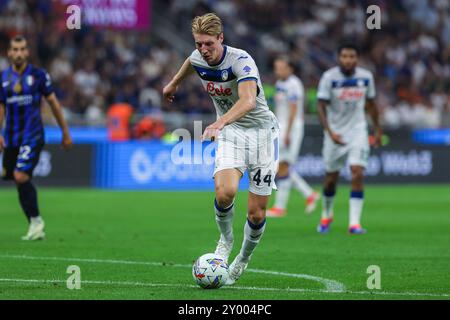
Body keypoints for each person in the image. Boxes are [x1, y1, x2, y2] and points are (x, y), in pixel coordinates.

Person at [163, 13, 279, 285]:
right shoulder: (197, 57)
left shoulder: (241, 60)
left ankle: (243, 258)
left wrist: (219, 122)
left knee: (256, 213)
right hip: (232, 134)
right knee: (225, 192)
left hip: (262, 135)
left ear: (221, 39)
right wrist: (174, 82)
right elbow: (190, 62)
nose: (203, 50)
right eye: (199, 44)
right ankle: (225, 242)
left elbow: (249, 100)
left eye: (209, 44)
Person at [0, 35, 72, 240]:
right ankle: (34, 222)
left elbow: (54, 104)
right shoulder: (3, 78)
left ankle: (36, 222)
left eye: (23, 49)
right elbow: (1, 108)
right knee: (10, 175)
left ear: (27, 52)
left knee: (20, 176)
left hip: (32, 134)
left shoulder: (39, 75)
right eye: (15, 49)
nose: (19, 53)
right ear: (9, 52)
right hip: (11, 137)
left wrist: (65, 133)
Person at [316, 42, 382, 234]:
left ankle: (354, 223)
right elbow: (320, 106)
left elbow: (371, 104)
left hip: (358, 131)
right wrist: (330, 131)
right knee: (331, 179)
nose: (348, 60)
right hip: (334, 132)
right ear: (338, 58)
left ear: (357, 58)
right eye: (344, 56)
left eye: (352, 56)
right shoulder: (329, 78)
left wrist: (377, 130)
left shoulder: (366, 77)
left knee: (357, 172)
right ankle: (327, 213)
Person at [266, 57, 320, 218]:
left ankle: (280, 207)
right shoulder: (279, 84)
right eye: (276, 67)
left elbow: (294, 110)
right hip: (281, 128)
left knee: (282, 166)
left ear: (290, 69)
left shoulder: (294, 84)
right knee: (281, 166)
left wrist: (288, 133)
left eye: (281, 67)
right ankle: (309, 194)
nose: (278, 70)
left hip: (292, 128)